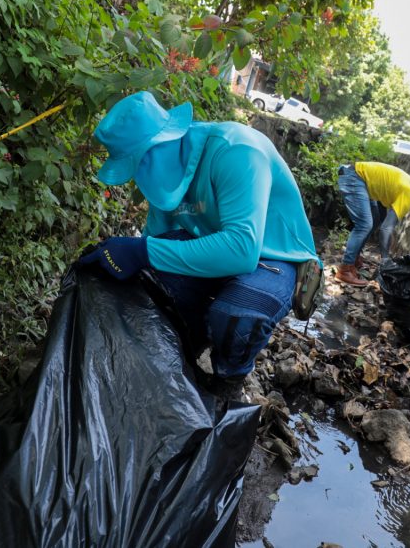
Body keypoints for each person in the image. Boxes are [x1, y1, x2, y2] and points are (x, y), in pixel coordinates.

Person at [78, 91, 321, 398]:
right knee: (149, 284)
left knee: (237, 313)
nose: (137, 176)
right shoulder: (167, 177)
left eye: (138, 164)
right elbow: (155, 249)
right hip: (216, 248)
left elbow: (242, 250)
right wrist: (120, 262)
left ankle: (229, 381)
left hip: (272, 257)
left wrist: (141, 251)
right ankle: (188, 347)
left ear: (160, 145)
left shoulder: (235, 151)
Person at [334, 161, 410, 287]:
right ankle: (344, 270)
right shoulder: (409, 193)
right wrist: (385, 259)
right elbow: (386, 229)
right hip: (354, 177)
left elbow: (383, 217)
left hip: (360, 180)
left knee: (375, 219)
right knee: (364, 224)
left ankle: (354, 259)